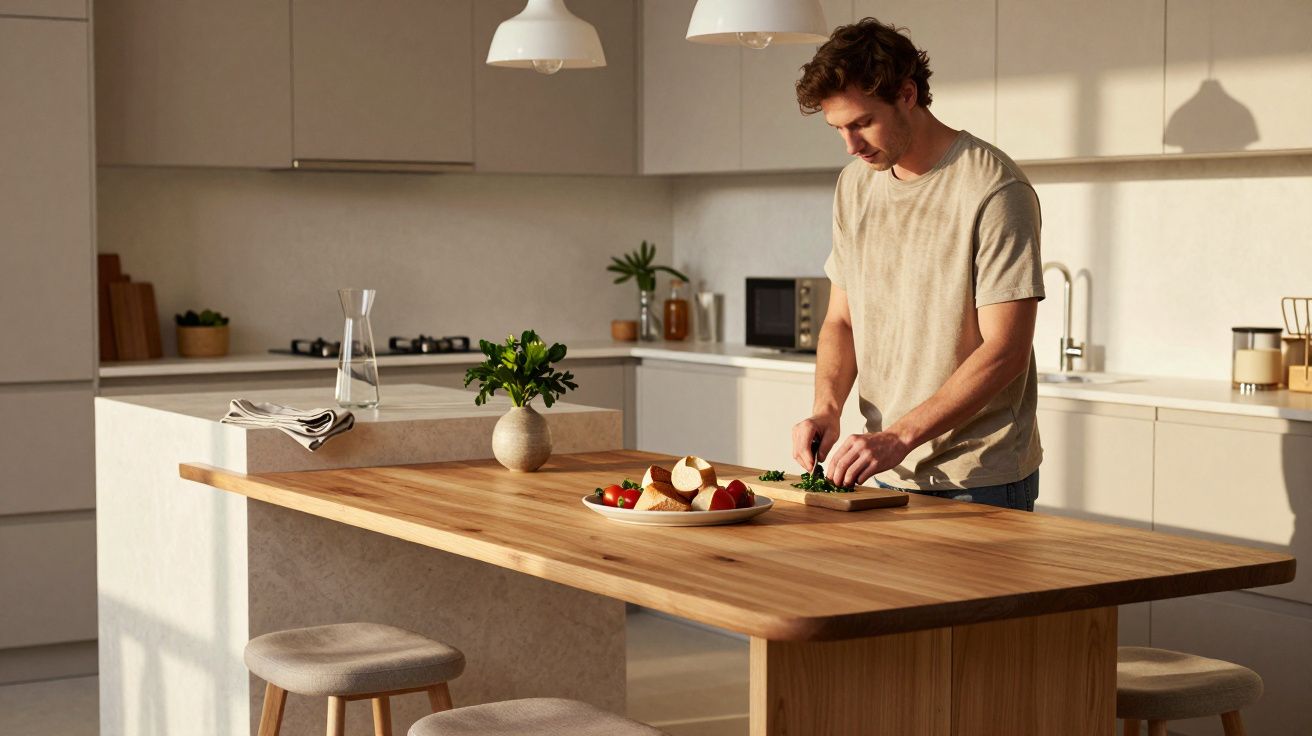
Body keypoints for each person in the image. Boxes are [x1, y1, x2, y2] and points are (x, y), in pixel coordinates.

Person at [790, 18, 1045, 511]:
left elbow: (1006, 350)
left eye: (862, 123)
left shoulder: (993, 189)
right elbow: (841, 320)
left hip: (977, 478)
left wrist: (899, 436)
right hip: (882, 470)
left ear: (907, 94)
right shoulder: (855, 185)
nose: (850, 144)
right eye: (838, 128)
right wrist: (826, 410)